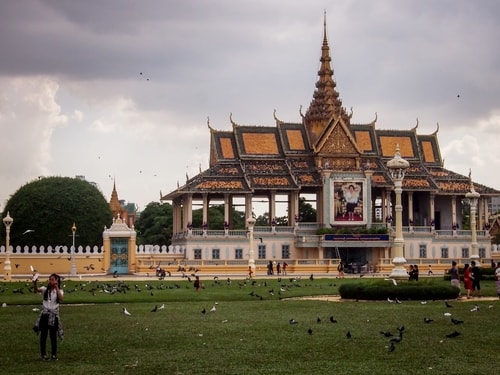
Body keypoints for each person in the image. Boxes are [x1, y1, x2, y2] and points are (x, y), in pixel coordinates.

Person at [33, 273, 64, 361]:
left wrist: (57, 287)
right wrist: (34, 283)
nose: (51, 281)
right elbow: (36, 291)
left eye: (53, 279)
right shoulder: (45, 289)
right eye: (50, 279)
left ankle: (54, 354)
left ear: (57, 281)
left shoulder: (59, 291)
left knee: (53, 336)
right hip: (45, 314)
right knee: (43, 335)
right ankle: (43, 354)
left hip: (54, 315)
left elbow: (61, 298)